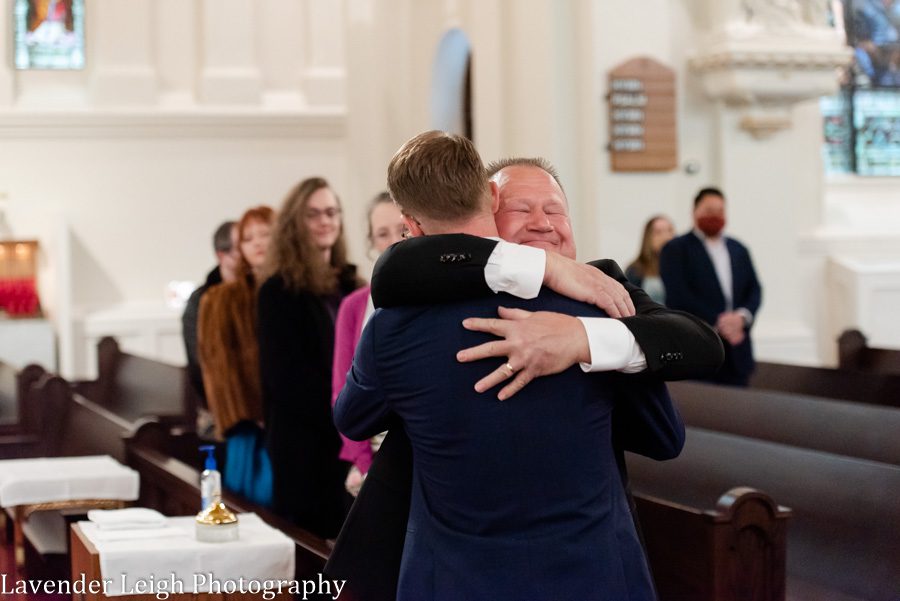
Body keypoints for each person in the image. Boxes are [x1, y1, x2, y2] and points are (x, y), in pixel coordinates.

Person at [326, 157, 723, 601]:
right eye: (522, 210)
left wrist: (584, 339)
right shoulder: (415, 301)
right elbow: (663, 436)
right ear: (488, 217)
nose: (543, 224)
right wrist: (552, 277)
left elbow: (697, 352)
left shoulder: (603, 296)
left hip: (520, 578)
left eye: (555, 210)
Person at [257, 177, 363, 539]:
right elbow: (286, 379)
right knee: (312, 550)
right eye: (313, 214)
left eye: (332, 212)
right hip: (305, 444)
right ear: (295, 224)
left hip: (350, 435)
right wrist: (348, 409)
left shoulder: (351, 283)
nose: (325, 221)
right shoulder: (279, 290)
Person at [197, 206, 274, 506]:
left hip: (292, 423)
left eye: (265, 234)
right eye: (248, 238)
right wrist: (254, 414)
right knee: (253, 504)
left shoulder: (296, 293)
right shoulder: (220, 299)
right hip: (247, 423)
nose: (257, 243)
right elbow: (217, 366)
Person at [331, 192, 406, 497]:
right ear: (371, 242)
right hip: (372, 458)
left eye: (402, 231)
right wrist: (365, 463)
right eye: (381, 234)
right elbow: (341, 390)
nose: (393, 242)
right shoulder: (354, 306)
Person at [659, 187, 762, 387]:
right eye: (708, 210)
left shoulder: (738, 249)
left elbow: (755, 289)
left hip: (737, 349)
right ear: (694, 211)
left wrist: (741, 317)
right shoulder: (676, 249)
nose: (715, 216)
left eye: (720, 211)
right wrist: (721, 323)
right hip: (699, 349)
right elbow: (678, 295)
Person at [182, 221, 238, 405]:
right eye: (240, 247)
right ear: (222, 256)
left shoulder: (260, 293)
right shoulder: (202, 300)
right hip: (217, 403)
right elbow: (201, 360)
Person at [625, 215, 675, 304]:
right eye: (658, 232)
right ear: (648, 237)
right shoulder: (635, 269)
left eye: (670, 230)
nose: (666, 236)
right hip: (650, 316)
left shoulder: (681, 265)